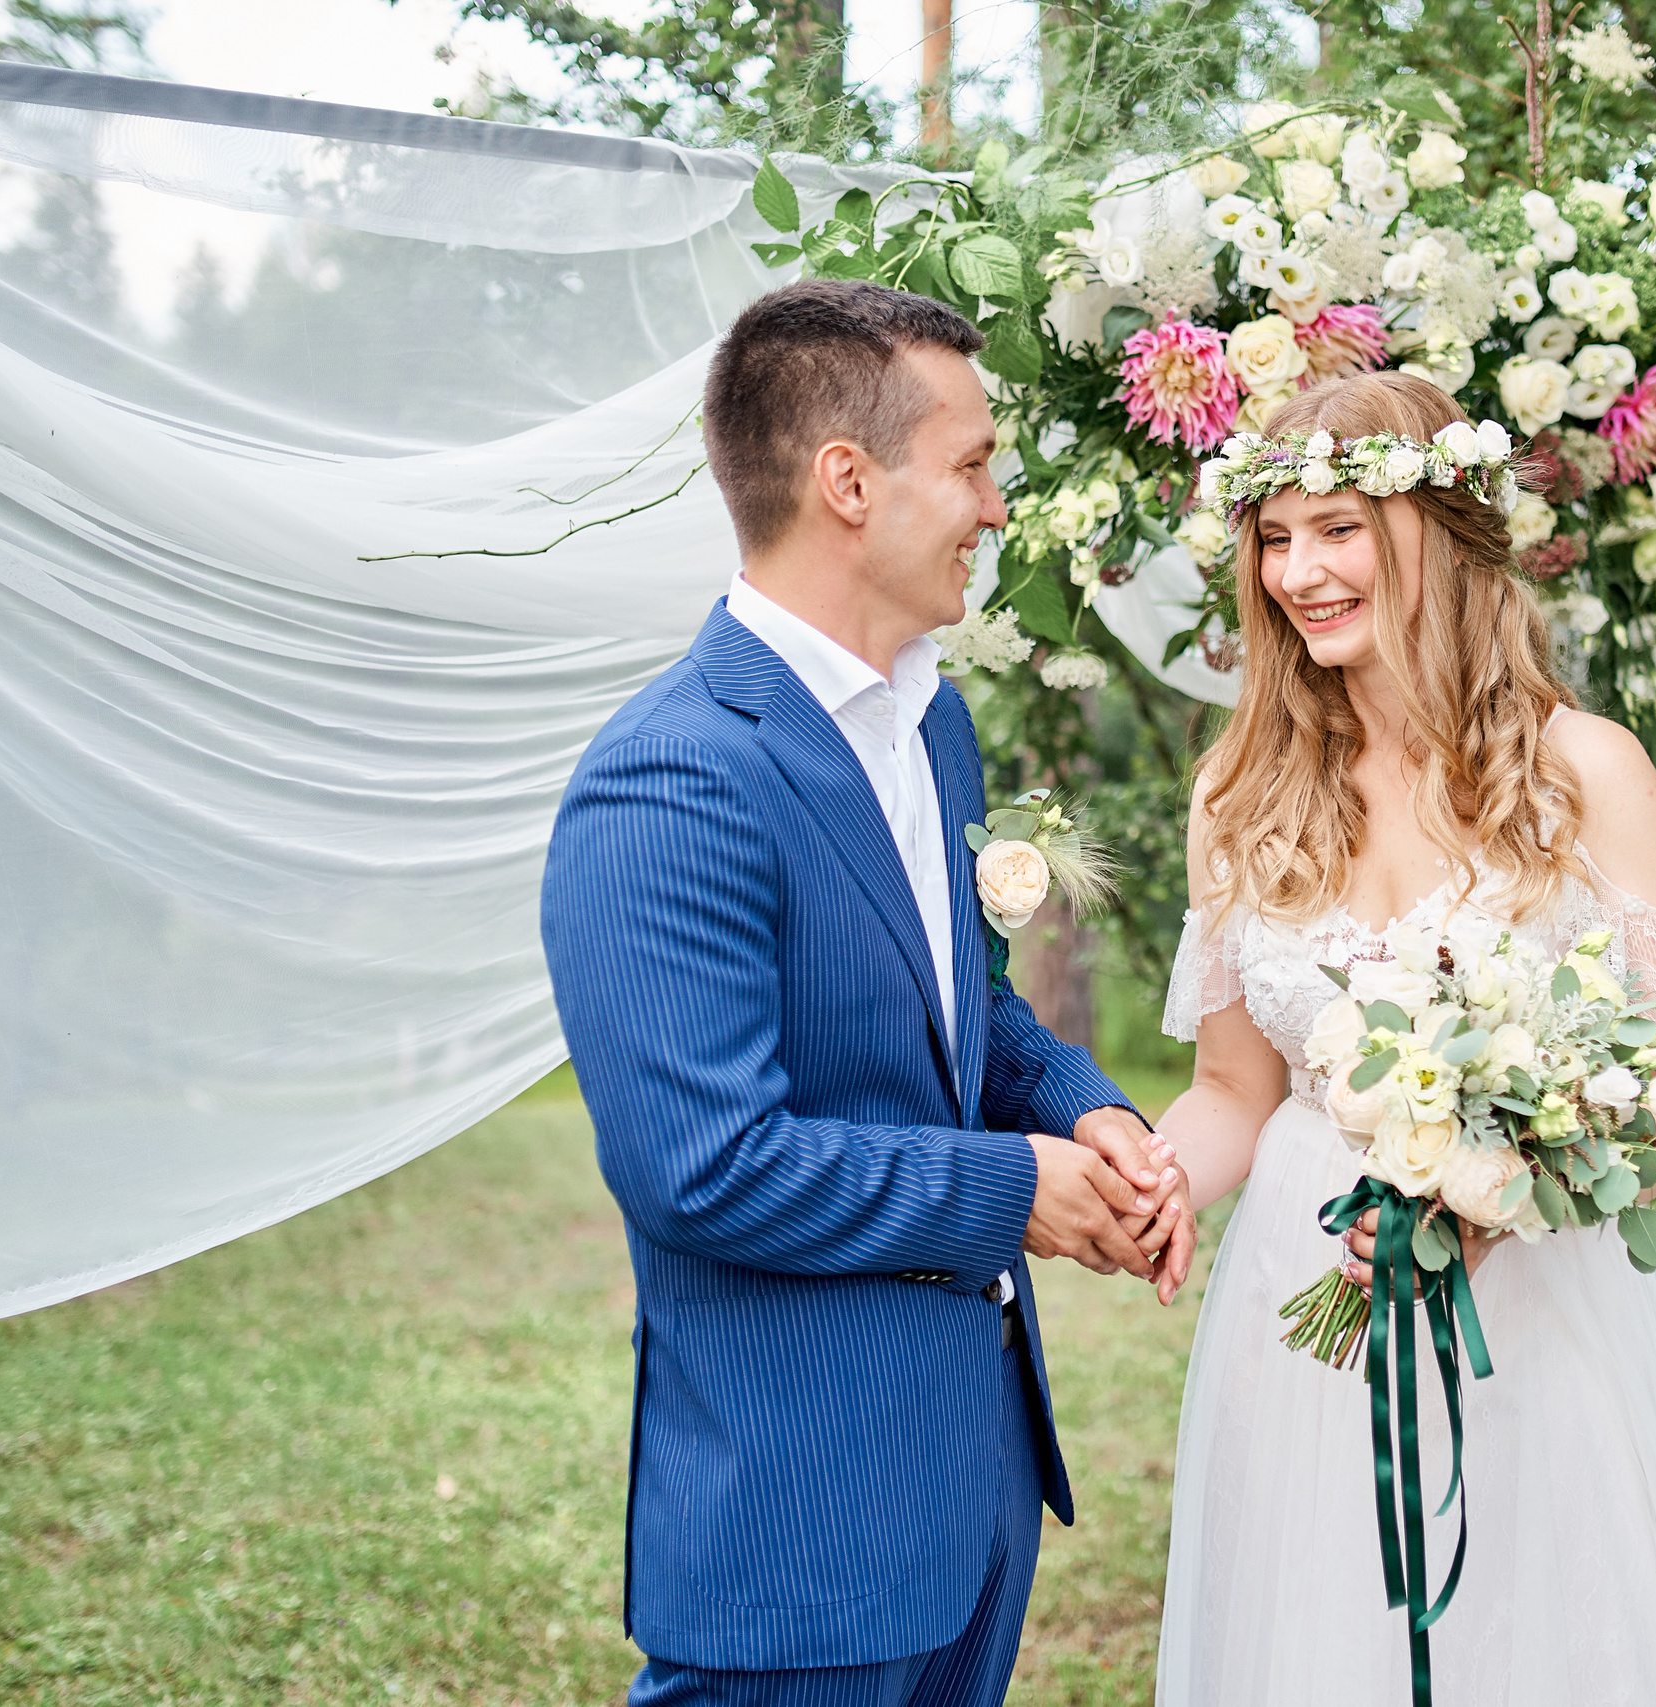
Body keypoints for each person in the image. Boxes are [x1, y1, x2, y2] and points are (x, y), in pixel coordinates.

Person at [538, 279, 1196, 1707]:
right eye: (972, 463)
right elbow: (699, 1165)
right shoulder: (672, 776)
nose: (998, 505)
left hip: (966, 1493)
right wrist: (1010, 1190)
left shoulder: (933, 723)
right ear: (849, 481)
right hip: (800, 1536)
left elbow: (972, 1018)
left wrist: (1090, 1112)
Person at [1149, 373, 1656, 1704]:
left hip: (1545, 1309)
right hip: (1309, 1317)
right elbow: (1233, 1087)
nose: (1300, 570)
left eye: (1339, 527)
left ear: (1441, 528)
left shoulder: (1586, 769)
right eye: (1276, 537)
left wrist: (1507, 1187)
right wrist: (1144, 1183)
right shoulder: (1236, 792)